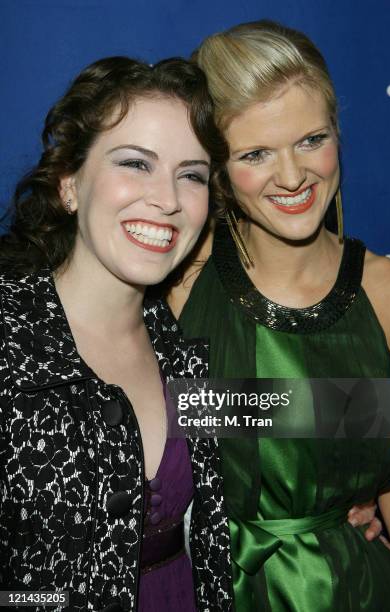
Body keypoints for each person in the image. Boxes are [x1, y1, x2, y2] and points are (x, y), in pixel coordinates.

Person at [167, 20, 390, 611]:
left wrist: (350, 495)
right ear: (217, 169)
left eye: (311, 139)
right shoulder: (175, 278)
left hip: (356, 590)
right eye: (255, 153)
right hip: (205, 589)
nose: (292, 176)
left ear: (338, 133)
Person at [0, 55, 232, 612]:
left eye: (191, 174)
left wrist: (355, 477)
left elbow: (289, 414)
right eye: (135, 163)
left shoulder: (184, 350)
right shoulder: (11, 342)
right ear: (69, 184)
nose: (169, 199)